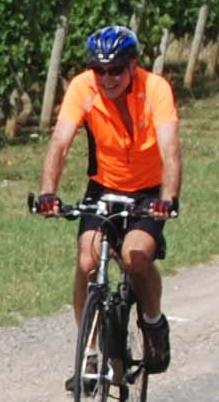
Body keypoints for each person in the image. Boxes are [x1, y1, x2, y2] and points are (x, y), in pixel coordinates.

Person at [27, 24, 182, 373]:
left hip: (148, 192)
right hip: (104, 187)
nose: (107, 78)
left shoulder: (155, 89)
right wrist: (49, 193)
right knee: (87, 261)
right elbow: (60, 144)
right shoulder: (83, 88)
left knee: (135, 256)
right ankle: (91, 354)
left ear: (133, 66)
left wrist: (167, 200)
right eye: (99, 70)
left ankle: (154, 322)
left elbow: (170, 151)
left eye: (115, 70)